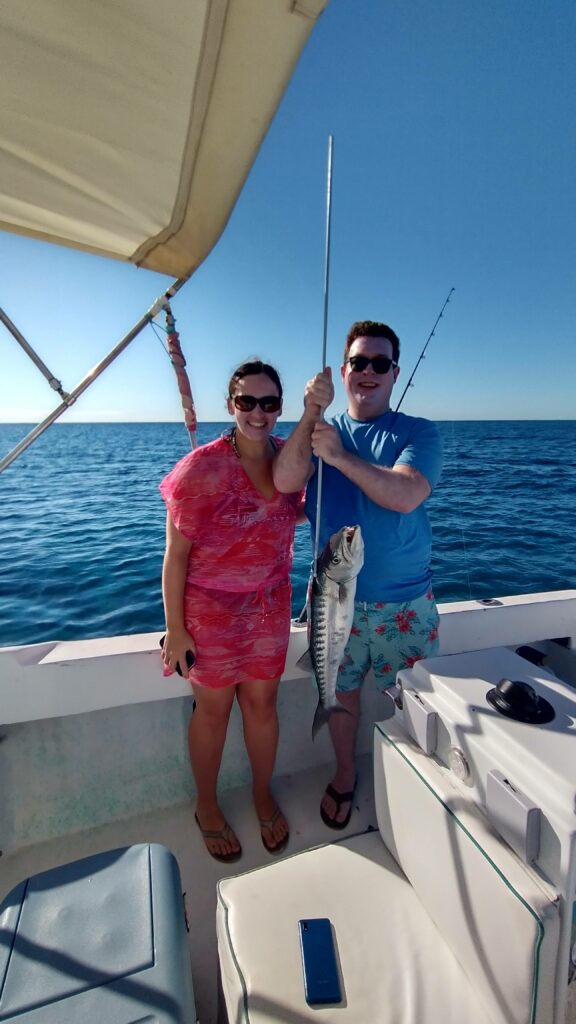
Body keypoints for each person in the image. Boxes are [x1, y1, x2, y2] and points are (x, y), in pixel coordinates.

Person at [273, 321, 443, 829]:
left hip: (404, 605)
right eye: (358, 362)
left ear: (394, 373)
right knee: (339, 692)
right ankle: (345, 773)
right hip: (330, 597)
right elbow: (284, 480)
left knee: (414, 699)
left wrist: (341, 458)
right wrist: (308, 414)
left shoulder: (418, 432)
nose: (367, 372)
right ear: (343, 371)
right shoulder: (319, 428)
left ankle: (419, 783)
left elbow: (406, 494)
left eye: (379, 363)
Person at [160, 359, 304, 862]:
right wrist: (176, 629)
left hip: (269, 608)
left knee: (262, 707)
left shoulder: (293, 460)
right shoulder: (200, 468)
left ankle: (262, 796)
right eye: (247, 402)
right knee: (214, 711)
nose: (258, 413)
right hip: (209, 612)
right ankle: (206, 806)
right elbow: (175, 555)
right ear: (231, 406)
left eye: (269, 403)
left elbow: (328, 504)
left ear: (280, 408)